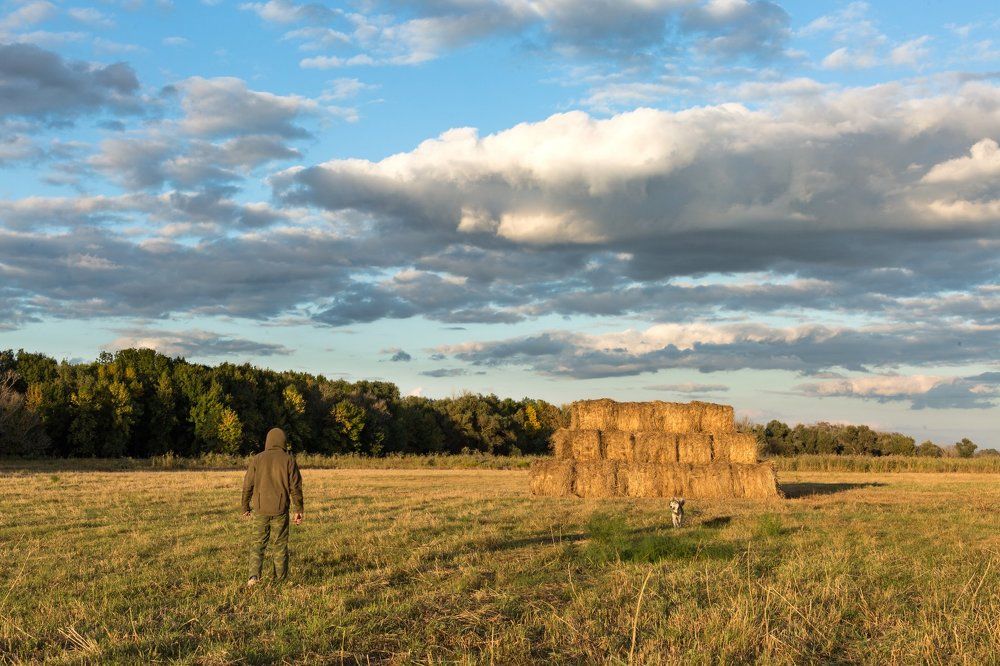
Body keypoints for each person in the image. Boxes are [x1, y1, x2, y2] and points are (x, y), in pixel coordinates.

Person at [241, 427, 303, 587]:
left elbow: (247, 485)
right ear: (283, 441)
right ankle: (280, 580)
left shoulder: (257, 459)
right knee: (280, 545)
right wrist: (298, 510)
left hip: (260, 509)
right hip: (280, 509)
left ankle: (253, 578)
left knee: (257, 543)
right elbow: (295, 488)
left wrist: (245, 506)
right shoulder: (289, 460)